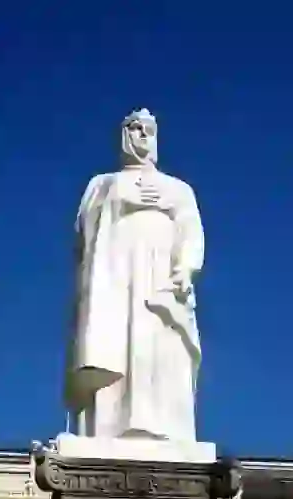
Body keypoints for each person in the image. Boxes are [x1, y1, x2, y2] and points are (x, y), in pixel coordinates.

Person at [66, 108, 205, 442]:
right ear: (125, 135)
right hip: (116, 280)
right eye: (136, 128)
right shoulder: (104, 184)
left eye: (149, 130)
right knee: (117, 343)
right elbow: (81, 232)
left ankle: (162, 426)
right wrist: (117, 201)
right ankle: (108, 427)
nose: (143, 135)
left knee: (158, 341)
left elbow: (192, 228)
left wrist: (185, 267)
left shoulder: (178, 189)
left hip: (160, 279)